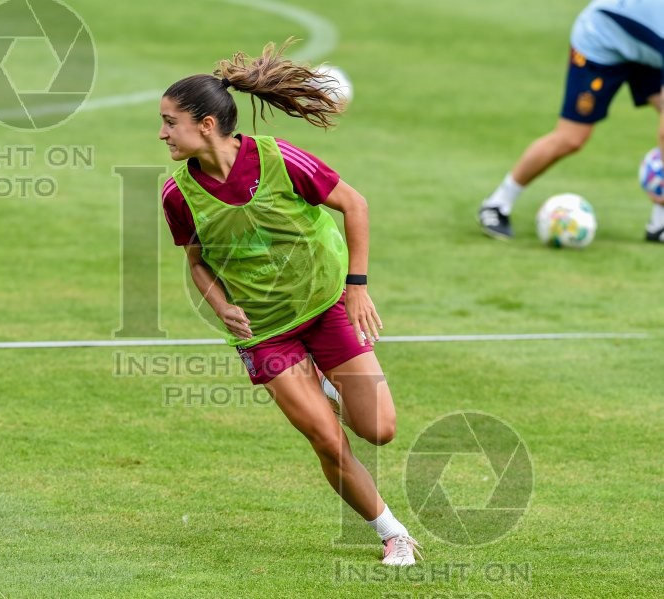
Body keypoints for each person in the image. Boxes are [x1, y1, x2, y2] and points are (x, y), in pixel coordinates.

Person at [158, 39, 421, 566]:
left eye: (170, 122)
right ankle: (393, 533)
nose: (162, 133)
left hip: (324, 305)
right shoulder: (177, 194)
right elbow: (196, 263)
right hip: (264, 331)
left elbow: (354, 203)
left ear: (206, 124)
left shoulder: (277, 159)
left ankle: (324, 380)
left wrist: (358, 286)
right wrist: (220, 306)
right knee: (326, 438)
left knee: (380, 430)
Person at [478, 0, 664, 242]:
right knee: (571, 138)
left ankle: (658, 224)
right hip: (601, 39)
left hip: (646, 47)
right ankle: (497, 204)